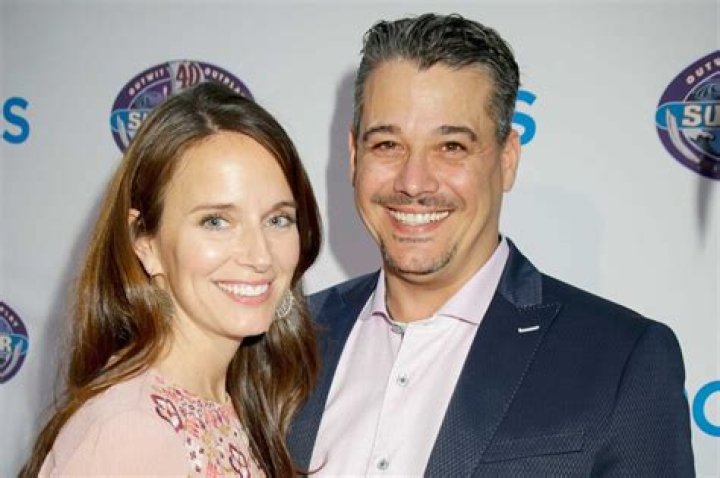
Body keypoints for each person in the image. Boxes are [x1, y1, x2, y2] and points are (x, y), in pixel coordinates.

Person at [287, 13, 695, 477]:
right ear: (354, 156)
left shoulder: (623, 359)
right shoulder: (287, 339)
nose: (413, 182)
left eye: (451, 147)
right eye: (387, 145)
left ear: (507, 159)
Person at [21, 81, 322, 477]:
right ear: (144, 242)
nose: (260, 256)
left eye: (278, 219)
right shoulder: (128, 432)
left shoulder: (234, 406)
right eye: (216, 222)